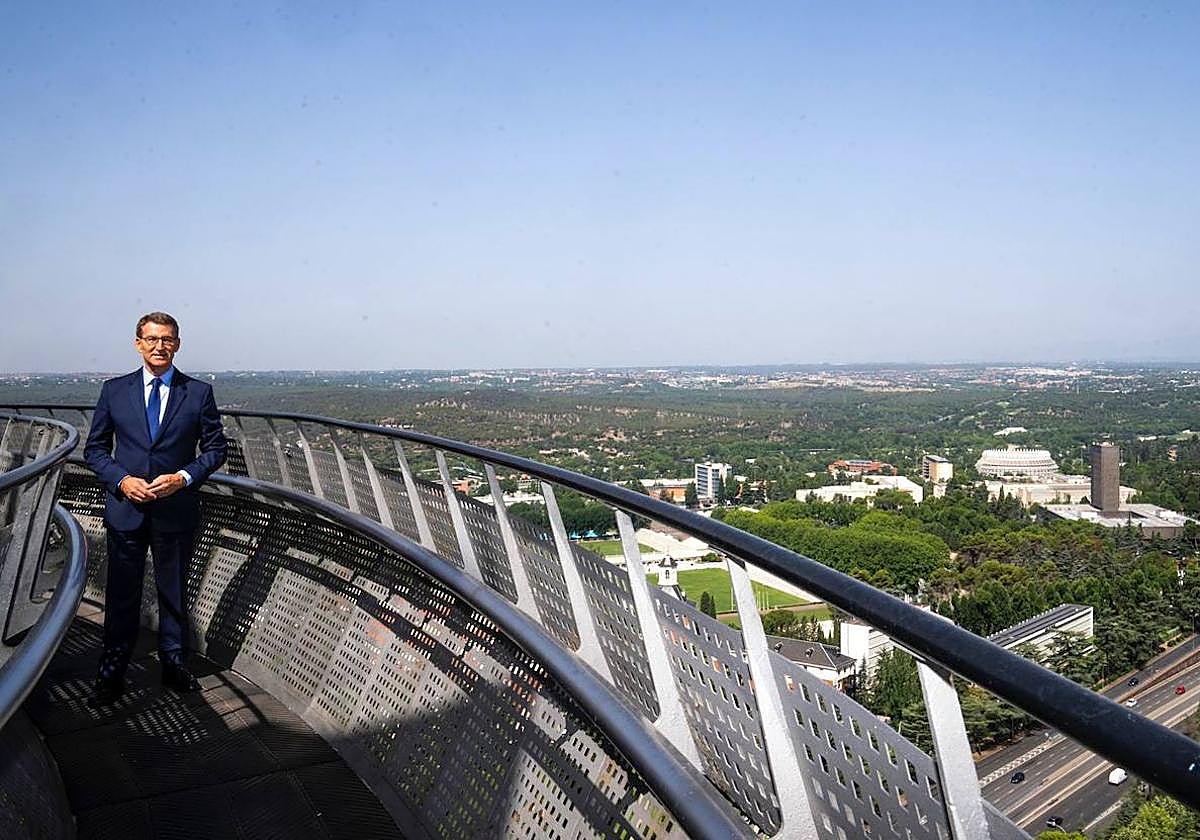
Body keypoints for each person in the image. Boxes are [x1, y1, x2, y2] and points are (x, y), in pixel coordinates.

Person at [83, 311, 227, 706]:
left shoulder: (198, 393)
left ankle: (174, 663)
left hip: (175, 510)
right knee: (121, 594)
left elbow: (215, 450)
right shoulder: (114, 391)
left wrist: (182, 477)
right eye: (151, 339)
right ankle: (111, 670)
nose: (159, 346)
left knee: (173, 592)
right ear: (137, 343)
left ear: (177, 344)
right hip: (125, 509)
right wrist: (121, 480)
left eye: (167, 339)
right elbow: (95, 449)